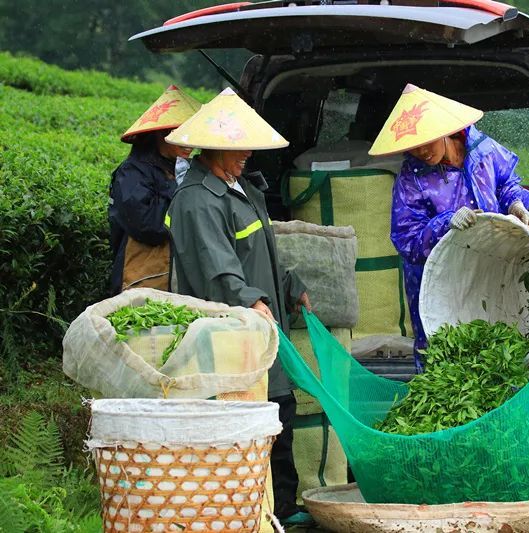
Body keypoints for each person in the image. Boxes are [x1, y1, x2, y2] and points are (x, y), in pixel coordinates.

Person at [164, 88, 313, 527]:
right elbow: (218, 268)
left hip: (262, 329)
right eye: (238, 146)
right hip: (230, 338)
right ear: (213, 147)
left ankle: (282, 509)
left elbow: (260, 256)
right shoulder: (196, 200)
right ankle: (253, 513)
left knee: (278, 414)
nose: (247, 153)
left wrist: (288, 288)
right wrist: (251, 300)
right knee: (246, 424)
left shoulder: (242, 188)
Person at [369, 83, 529, 370]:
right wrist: (444, 223)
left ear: (445, 131)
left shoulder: (482, 149)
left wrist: (515, 203)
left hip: (491, 266)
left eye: (428, 141)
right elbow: (407, 238)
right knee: (442, 355)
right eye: (414, 145)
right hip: (439, 280)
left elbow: (508, 181)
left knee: (494, 345)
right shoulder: (412, 178)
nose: (422, 151)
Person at [109, 85, 200, 294]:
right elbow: (149, 226)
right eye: (179, 134)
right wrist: (179, 188)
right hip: (142, 279)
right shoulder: (132, 172)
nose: (188, 143)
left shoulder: (183, 167)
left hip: (176, 279)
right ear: (160, 134)